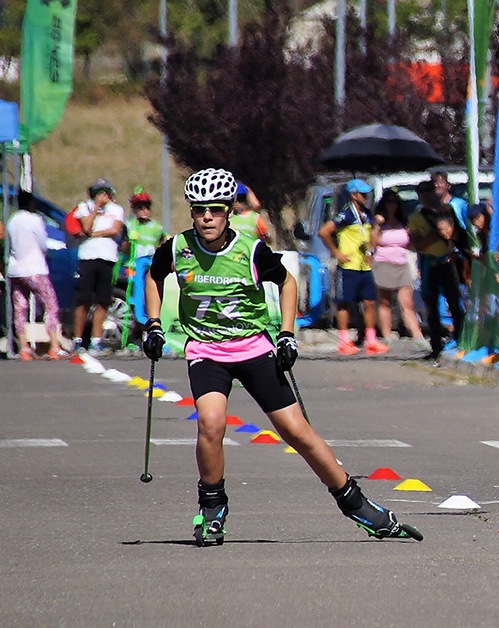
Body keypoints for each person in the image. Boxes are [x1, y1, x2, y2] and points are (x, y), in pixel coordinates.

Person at [142, 168, 421, 545]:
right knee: (210, 423)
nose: (206, 217)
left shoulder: (248, 248)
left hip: (253, 347)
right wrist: (154, 324)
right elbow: (154, 276)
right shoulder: (178, 248)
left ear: (228, 211)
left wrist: (287, 335)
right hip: (207, 350)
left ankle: (359, 506)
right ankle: (212, 509)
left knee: (296, 430)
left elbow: (287, 281)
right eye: (198, 210)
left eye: (214, 210)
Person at [319, 179, 387, 356]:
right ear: (354, 195)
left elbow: (372, 241)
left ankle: (371, 340)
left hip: (364, 266)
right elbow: (324, 231)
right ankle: (343, 341)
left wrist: (377, 227)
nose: (366, 197)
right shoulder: (346, 214)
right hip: (348, 265)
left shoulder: (366, 214)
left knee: (370, 301)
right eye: (363, 194)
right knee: (345, 302)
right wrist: (336, 252)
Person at [6, 191, 67, 359]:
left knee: (20, 307)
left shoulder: (12, 220)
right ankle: (54, 345)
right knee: (50, 305)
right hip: (34, 268)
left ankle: (24, 347)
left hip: (15, 268)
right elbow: (43, 244)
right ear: (31, 204)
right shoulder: (35, 220)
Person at [409, 181, 465, 358]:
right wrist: (435, 234)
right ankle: (436, 346)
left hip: (448, 262)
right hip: (430, 264)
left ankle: (461, 340)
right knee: (431, 307)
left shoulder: (447, 211)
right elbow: (417, 244)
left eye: (429, 190)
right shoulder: (416, 218)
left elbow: (459, 235)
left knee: (455, 303)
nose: (426, 194)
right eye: (422, 191)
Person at [71, 178, 125, 355]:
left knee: (103, 300)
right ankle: (78, 339)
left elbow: (115, 230)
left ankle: (96, 339)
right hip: (88, 257)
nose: (103, 196)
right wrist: (95, 208)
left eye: (105, 193)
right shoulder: (84, 207)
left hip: (107, 257)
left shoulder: (116, 210)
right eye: (99, 193)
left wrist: (95, 233)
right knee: (83, 299)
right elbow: (86, 227)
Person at [371, 190, 425, 349]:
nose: (391, 205)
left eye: (394, 201)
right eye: (388, 202)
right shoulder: (378, 223)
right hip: (382, 263)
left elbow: (411, 243)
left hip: (401, 263)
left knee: (407, 303)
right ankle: (387, 335)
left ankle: (417, 335)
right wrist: (376, 225)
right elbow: (372, 243)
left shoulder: (403, 222)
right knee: (385, 302)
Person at [119, 188, 167, 283]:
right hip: (133, 266)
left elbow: (163, 245)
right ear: (134, 209)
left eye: (147, 207)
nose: (144, 210)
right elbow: (124, 250)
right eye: (140, 207)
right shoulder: (129, 225)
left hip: (150, 265)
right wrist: (130, 241)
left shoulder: (157, 227)